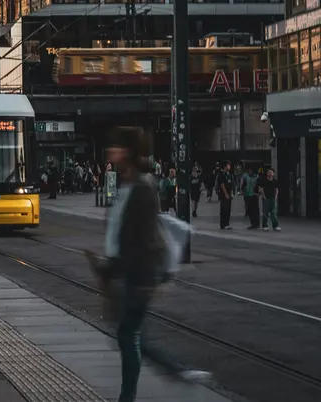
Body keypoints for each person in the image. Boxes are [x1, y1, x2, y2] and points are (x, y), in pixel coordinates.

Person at [89, 128, 209, 402]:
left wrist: (150, 279)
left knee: (128, 334)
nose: (110, 151)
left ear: (128, 151)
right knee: (130, 335)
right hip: (125, 274)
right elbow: (121, 234)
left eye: (116, 146)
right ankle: (176, 372)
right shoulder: (126, 184)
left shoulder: (142, 188)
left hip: (137, 276)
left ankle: (134, 393)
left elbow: (147, 238)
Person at [216, 162, 234, 230]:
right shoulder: (221, 174)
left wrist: (231, 193)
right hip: (223, 193)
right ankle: (223, 224)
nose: (229, 166)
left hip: (229, 192)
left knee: (228, 209)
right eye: (228, 165)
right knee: (224, 209)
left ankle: (227, 224)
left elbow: (231, 184)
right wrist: (226, 193)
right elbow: (222, 184)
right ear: (225, 166)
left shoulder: (229, 174)